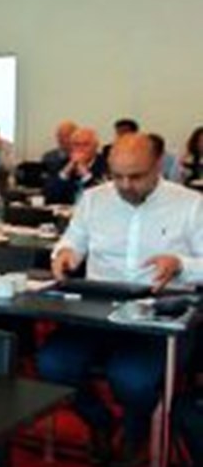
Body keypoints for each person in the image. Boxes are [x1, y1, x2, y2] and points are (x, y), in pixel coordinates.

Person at [44, 133, 203, 465]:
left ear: (157, 166)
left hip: (160, 312)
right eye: (117, 176)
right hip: (98, 308)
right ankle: (101, 421)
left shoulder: (191, 204)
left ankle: (136, 433)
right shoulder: (94, 199)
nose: (125, 186)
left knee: (132, 380)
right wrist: (65, 254)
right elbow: (71, 241)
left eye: (136, 176)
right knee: (53, 364)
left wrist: (180, 264)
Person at [44, 127, 106, 205]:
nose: (80, 149)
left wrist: (85, 174)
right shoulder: (63, 164)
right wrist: (66, 171)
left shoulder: (105, 165)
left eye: (86, 145)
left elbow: (102, 197)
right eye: (76, 145)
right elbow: (49, 197)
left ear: (96, 146)